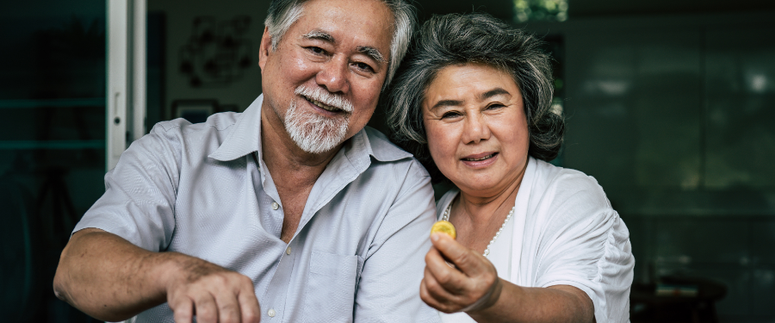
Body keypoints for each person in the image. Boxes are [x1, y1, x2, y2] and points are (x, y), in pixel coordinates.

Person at [52, 0, 442, 322]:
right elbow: (74, 273)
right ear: (267, 48)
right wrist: (177, 272)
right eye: (318, 50)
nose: (335, 80)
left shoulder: (398, 187)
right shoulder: (173, 153)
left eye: (363, 65)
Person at [387, 13, 635, 322]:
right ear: (421, 129)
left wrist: (492, 298)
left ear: (528, 113)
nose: (476, 132)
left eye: (494, 106)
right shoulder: (424, 214)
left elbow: (576, 309)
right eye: (451, 113)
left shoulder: (569, 195)